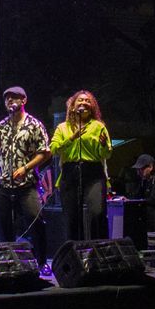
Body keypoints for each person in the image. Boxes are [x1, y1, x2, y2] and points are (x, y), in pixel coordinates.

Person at [0, 86, 51, 263]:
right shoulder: (1, 126)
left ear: (23, 100)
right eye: (7, 98)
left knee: (35, 221)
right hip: (3, 183)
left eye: (14, 97)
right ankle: (8, 263)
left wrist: (26, 168)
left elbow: (45, 152)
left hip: (26, 183)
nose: (10, 101)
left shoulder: (34, 125)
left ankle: (41, 262)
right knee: (5, 227)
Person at [49, 89, 111, 242]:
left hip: (93, 172)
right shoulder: (63, 128)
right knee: (71, 217)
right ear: (73, 105)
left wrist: (103, 146)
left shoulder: (98, 126)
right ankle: (74, 255)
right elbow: (53, 149)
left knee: (97, 213)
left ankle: (98, 254)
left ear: (92, 107)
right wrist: (72, 138)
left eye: (87, 101)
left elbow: (107, 154)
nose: (84, 103)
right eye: (80, 100)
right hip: (70, 172)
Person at [127, 153, 155, 238]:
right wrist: (127, 199)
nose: (138, 173)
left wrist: (138, 201)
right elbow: (137, 195)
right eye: (137, 170)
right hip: (150, 221)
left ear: (150, 167)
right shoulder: (145, 180)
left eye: (141, 170)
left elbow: (154, 199)